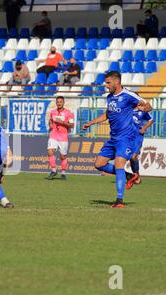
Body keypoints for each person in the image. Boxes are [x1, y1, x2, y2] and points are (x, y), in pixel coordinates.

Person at [82, 71, 152, 208]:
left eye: (108, 83)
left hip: (126, 138)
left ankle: (119, 200)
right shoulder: (109, 97)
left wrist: (144, 108)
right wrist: (91, 123)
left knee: (119, 163)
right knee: (99, 164)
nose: (106, 85)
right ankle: (129, 176)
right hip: (113, 138)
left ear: (117, 82)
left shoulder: (128, 95)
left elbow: (148, 106)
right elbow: (107, 115)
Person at [46, 96, 74, 180]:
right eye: (57, 102)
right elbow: (50, 120)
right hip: (53, 135)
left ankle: (63, 173)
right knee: (50, 152)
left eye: (60, 102)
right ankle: (54, 170)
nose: (59, 103)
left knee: (63, 156)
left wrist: (62, 122)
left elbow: (72, 125)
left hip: (63, 137)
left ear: (63, 103)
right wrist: (50, 124)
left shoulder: (68, 113)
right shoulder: (52, 112)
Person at [125, 108, 154, 190]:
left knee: (133, 157)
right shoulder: (127, 109)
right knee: (130, 157)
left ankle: (136, 175)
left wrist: (144, 128)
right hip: (127, 135)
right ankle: (135, 176)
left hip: (138, 136)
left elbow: (151, 120)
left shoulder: (142, 110)